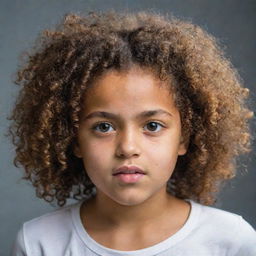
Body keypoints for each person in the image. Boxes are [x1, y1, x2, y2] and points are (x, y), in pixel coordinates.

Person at [9, 10, 256, 256]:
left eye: (152, 126)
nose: (127, 147)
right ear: (74, 140)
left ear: (184, 139)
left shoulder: (231, 242)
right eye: (103, 127)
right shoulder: (38, 243)